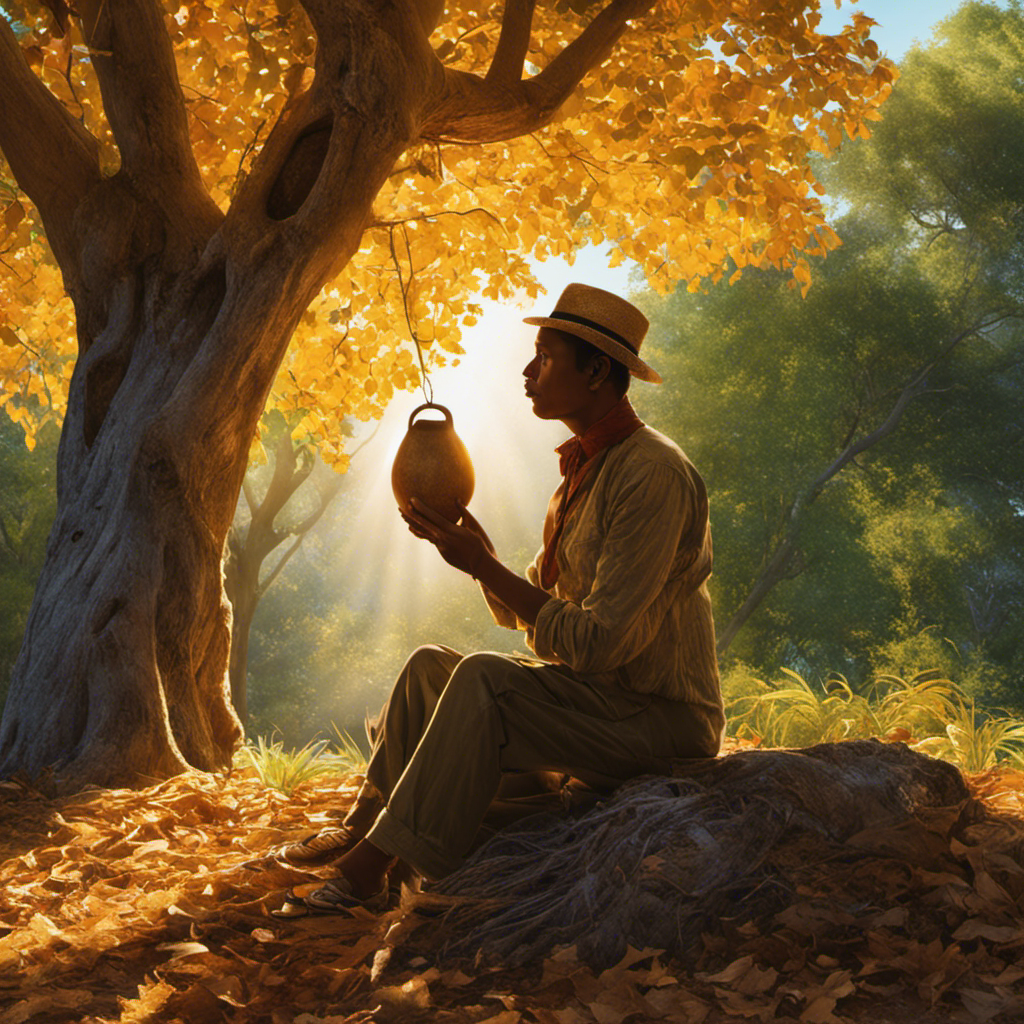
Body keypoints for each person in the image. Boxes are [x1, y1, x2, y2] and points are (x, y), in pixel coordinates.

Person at [277, 283, 724, 914]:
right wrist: (478, 562)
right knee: (431, 664)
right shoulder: (583, 471)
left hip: (658, 721)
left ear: (597, 371)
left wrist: (485, 564)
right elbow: (541, 605)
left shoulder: (651, 472)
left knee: (484, 678)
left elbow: (597, 644)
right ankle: (367, 822)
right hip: (597, 703)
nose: (526, 372)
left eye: (544, 358)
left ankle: (367, 872)